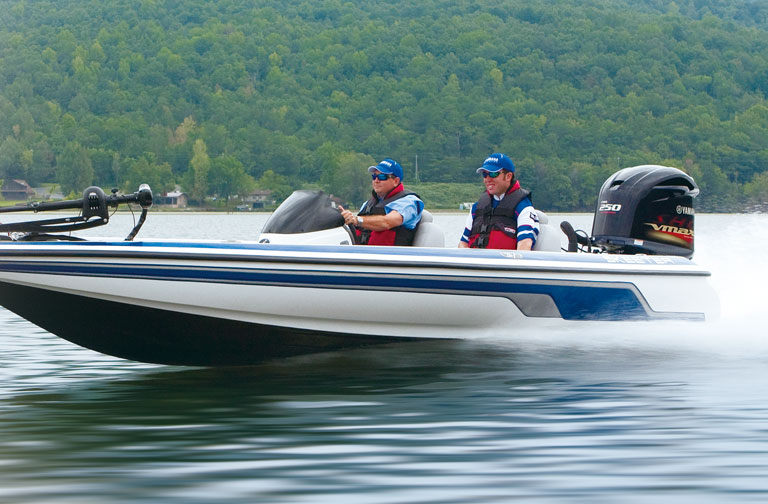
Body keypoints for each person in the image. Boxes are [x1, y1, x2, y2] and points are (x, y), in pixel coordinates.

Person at [458, 153, 539, 250]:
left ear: (508, 176)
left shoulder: (523, 208)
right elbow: (463, 243)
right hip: (476, 263)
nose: (487, 179)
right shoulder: (476, 208)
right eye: (485, 174)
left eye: (493, 174)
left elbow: (525, 244)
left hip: (504, 264)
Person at [340, 158, 424, 246]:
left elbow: (387, 222)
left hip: (390, 257)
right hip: (363, 255)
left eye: (382, 177)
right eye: (374, 176)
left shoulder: (409, 202)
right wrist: (345, 218)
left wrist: (357, 220)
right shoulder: (367, 204)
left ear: (396, 181)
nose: (376, 180)